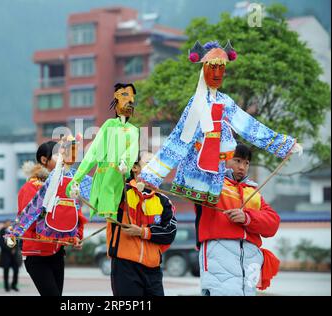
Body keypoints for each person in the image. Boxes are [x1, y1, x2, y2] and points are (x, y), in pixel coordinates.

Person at [138, 41, 302, 205]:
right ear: (204, 70)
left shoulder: (226, 102)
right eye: (213, 68)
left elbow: (249, 126)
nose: (217, 73)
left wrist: (283, 144)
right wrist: (152, 175)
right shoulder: (197, 103)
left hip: (218, 172)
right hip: (195, 171)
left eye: (221, 68)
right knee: (204, 214)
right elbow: (180, 139)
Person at [6, 135, 91, 296]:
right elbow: (28, 219)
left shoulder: (67, 183)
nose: (63, 157)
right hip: (36, 254)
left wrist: (76, 236)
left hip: (57, 252)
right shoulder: (31, 187)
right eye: (57, 154)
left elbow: (75, 212)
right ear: (44, 160)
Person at [195, 144, 281, 296]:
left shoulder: (253, 191)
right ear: (224, 159)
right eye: (237, 160)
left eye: (246, 162)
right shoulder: (211, 184)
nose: (242, 167)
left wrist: (247, 218)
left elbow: (273, 223)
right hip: (218, 255)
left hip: (251, 259)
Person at [108, 151, 177, 296]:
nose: (154, 168)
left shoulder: (163, 200)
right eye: (148, 163)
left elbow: (170, 233)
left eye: (156, 165)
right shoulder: (121, 192)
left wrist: (142, 232)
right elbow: (105, 186)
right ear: (134, 168)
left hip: (153, 269)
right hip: (125, 266)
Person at [67, 83, 139, 219]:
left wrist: (125, 161)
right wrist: (78, 179)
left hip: (123, 174)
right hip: (107, 171)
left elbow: (133, 148)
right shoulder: (109, 124)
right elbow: (95, 151)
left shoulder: (134, 130)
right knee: (108, 194)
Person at [0, 220, 21, 292]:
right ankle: (6, 286)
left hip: (14, 256)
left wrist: (14, 249)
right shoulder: (2, 231)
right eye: (7, 223)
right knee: (6, 271)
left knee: (16, 270)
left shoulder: (13, 231)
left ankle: (14, 285)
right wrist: (10, 249)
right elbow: (1, 243)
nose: (9, 225)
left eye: (10, 224)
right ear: (4, 224)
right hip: (6, 255)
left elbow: (16, 241)